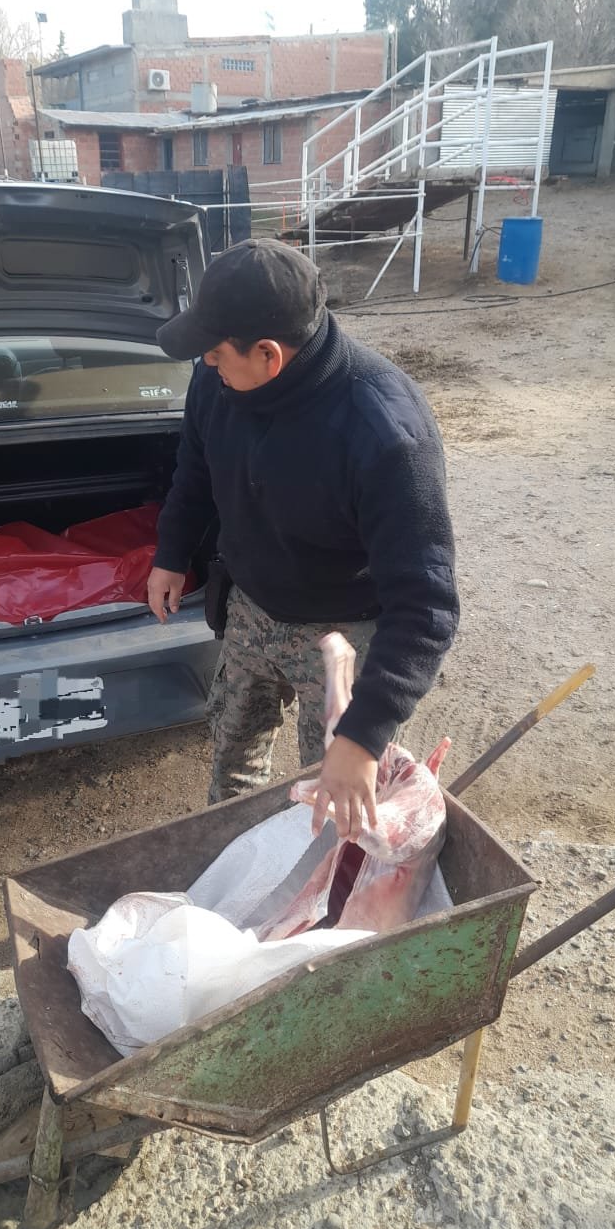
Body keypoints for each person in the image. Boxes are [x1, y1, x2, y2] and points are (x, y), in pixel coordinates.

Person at [147, 239, 459, 841]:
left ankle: (317, 912)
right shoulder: (215, 382)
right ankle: (231, 857)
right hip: (250, 608)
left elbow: (426, 607)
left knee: (331, 799)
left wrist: (364, 733)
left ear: (268, 354)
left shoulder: (385, 432)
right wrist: (171, 551)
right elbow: (194, 468)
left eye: (215, 353)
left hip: (341, 639)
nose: (207, 365)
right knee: (232, 758)